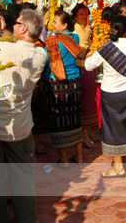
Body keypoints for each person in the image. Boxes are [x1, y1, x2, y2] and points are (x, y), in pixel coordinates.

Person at [0, 8, 47, 223]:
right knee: (23, 183)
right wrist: (2, 35)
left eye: (16, 24)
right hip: (21, 129)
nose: (12, 26)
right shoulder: (40, 54)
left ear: (23, 28)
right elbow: (15, 50)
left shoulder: (0, 50)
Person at [85, 15, 126, 178]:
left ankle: (118, 166)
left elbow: (88, 65)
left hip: (110, 92)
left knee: (111, 127)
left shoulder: (105, 49)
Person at [43, 9, 83, 167]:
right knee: (75, 118)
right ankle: (79, 157)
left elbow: (46, 62)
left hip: (56, 83)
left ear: (64, 24)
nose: (52, 24)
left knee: (58, 121)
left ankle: (64, 160)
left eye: (55, 22)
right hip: (74, 81)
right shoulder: (75, 37)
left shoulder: (53, 41)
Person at [71, 3, 99, 148]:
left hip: (90, 67)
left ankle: (86, 132)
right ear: (75, 16)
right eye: (81, 14)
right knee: (86, 102)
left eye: (86, 14)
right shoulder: (76, 32)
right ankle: (84, 135)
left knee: (90, 101)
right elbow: (79, 53)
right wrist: (87, 37)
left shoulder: (86, 28)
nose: (83, 17)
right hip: (81, 67)